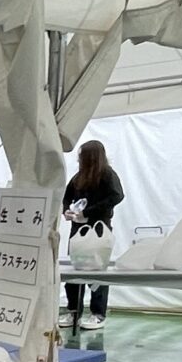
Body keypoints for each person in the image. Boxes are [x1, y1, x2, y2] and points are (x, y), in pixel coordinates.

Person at [62, 138, 126, 332]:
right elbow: (66, 197)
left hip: (99, 229)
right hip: (78, 230)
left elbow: (117, 196)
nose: (79, 159)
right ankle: (73, 310)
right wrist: (67, 211)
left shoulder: (107, 175)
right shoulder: (78, 177)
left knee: (97, 272)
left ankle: (98, 313)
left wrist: (88, 212)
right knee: (75, 271)